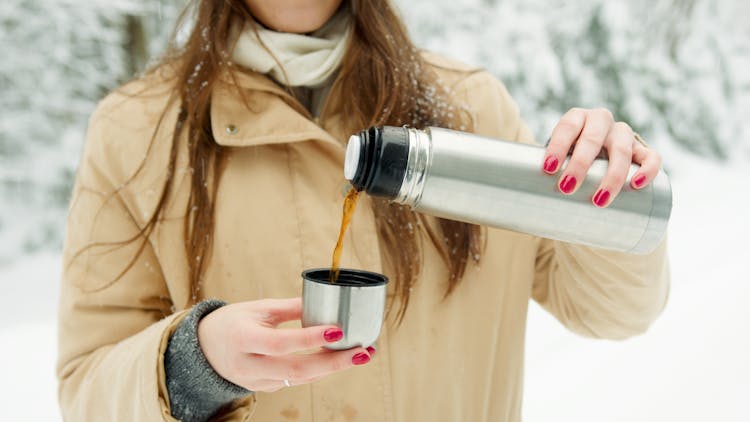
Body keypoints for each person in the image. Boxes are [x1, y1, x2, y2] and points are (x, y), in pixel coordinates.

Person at [56, 0, 669, 421]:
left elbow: (613, 313)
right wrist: (194, 361)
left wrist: (609, 195)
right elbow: (88, 389)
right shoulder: (136, 130)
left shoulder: (472, 109)